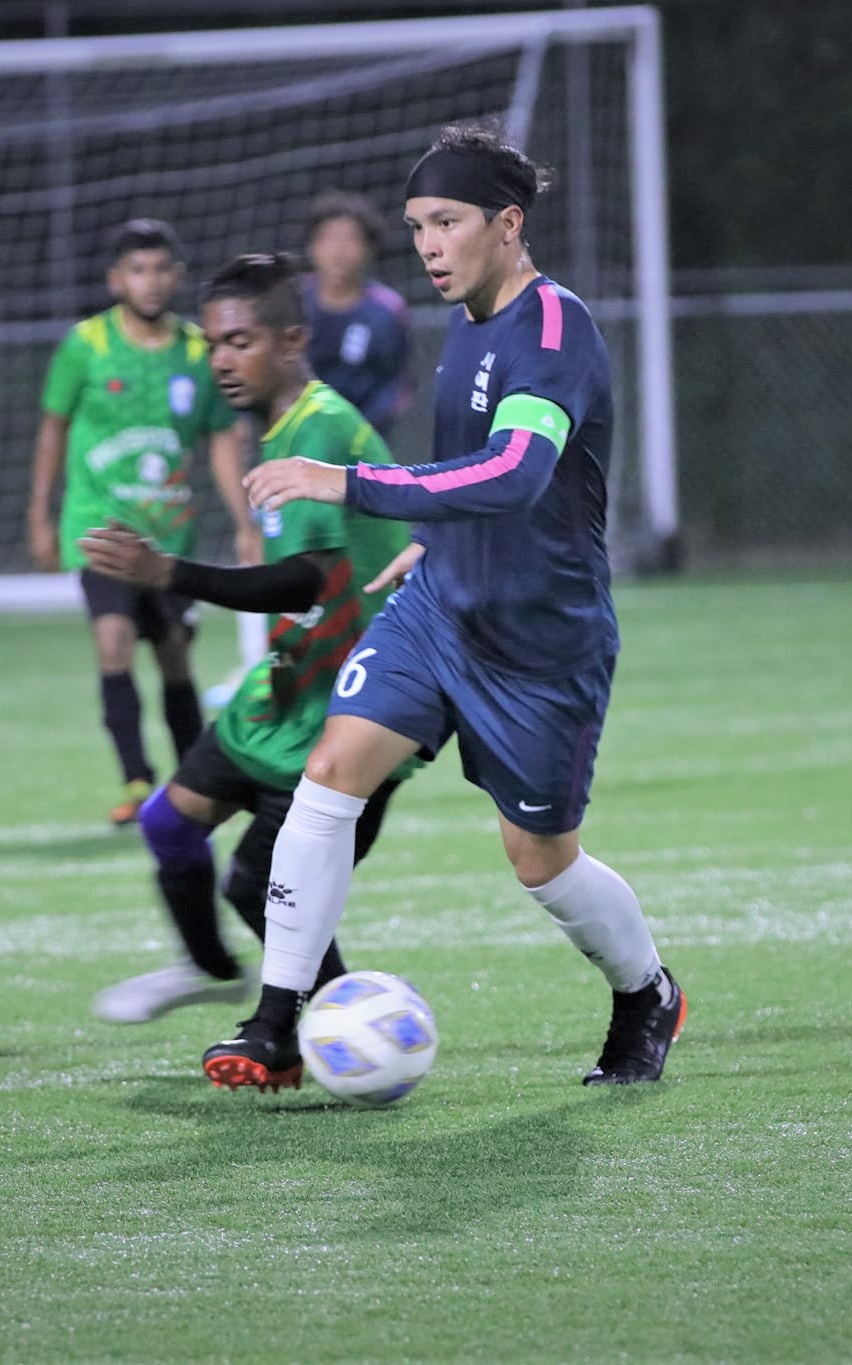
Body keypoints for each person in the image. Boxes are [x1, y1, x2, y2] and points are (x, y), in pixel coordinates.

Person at [202, 123, 685, 1094]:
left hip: (540, 645)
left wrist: (349, 482)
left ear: (507, 225)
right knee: (330, 773)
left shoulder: (552, 331)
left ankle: (645, 994)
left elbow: (515, 472)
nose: (427, 244)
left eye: (448, 222)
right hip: (440, 609)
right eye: (418, 224)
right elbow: (478, 483)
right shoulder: (465, 325)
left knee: (540, 861)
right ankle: (272, 1022)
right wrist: (432, 537)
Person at [79, 253, 416, 1029]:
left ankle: (336, 1032)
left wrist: (168, 572)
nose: (223, 361)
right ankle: (210, 969)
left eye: (241, 342)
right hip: (293, 684)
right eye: (215, 345)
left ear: (291, 340)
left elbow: (304, 579)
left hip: (353, 706)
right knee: (167, 823)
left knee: (260, 884)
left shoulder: (322, 428)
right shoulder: (281, 428)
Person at [27, 219, 261, 827]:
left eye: (160, 270)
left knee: (176, 658)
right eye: (138, 270)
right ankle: (135, 778)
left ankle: (192, 783)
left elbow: (221, 440)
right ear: (115, 280)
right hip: (100, 530)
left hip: (169, 541)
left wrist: (244, 522)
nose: (150, 282)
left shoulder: (196, 351)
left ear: (177, 277)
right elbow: (53, 428)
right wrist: (40, 516)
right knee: (112, 646)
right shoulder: (86, 345)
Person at [302, 190, 412, 437]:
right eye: (328, 238)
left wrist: (360, 431)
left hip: (360, 441)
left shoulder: (387, 311)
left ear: (369, 248)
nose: (339, 251)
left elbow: (395, 384)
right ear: (312, 246)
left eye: (351, 239)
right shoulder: (292, 302)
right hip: (298, 434)